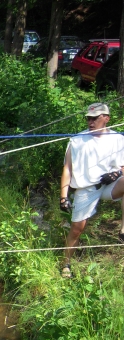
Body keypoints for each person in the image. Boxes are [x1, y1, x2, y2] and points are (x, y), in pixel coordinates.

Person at [59, 102, 124, 278]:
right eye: (88, 118)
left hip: (109, 185)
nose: (90, 122)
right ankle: (66, 264)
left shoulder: (118, 139)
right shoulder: (77, 140)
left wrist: (117, 173)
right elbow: (67, 169)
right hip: (86, 188)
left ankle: (123, 230)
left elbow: (123, 167)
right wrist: (63, 196)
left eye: (95, 118)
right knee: (77, 229)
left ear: (106, 118)